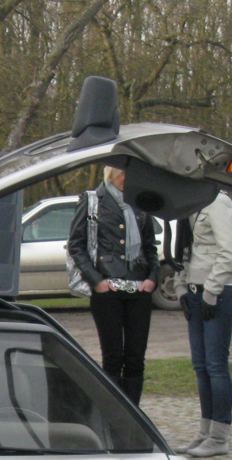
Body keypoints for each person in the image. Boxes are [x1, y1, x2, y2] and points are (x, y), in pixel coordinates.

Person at [67, 162, 158, 405]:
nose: (127, 179)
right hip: (107, 290)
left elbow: (150, 247)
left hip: (139, 288)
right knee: (113, 357)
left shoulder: (140, 202)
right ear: (112, 173)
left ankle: (134, 413)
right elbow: (76, 245)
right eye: (123, 174)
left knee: (136, 357)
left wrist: (152, 278)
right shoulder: (92, 201)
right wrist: (96, 281)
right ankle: (114, 412)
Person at [176, 190, 232, 457]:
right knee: (201, 366)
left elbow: (228, 252)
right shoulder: (194, 201)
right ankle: (205, 432)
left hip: (218, 293)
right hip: (195, 291)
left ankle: (219, 436)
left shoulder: (218, 202)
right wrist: (181, 287)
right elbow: (187, 249)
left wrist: (212, 290)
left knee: (215, 365)